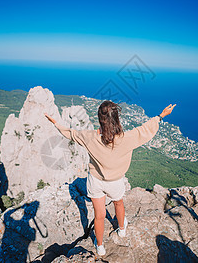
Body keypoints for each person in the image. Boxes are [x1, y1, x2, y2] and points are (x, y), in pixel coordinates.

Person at [45, 101, 176, 256]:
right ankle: (121, 229)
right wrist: (161, 116)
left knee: (99, 215)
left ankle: (100, 246)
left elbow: (70, 133)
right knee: (118, 204)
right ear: (116, 119)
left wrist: (55, 122)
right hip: (115, 182)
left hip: (95, 182)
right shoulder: (127, 138)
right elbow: (145, 130)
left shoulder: (89, 137)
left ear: (100, 119)